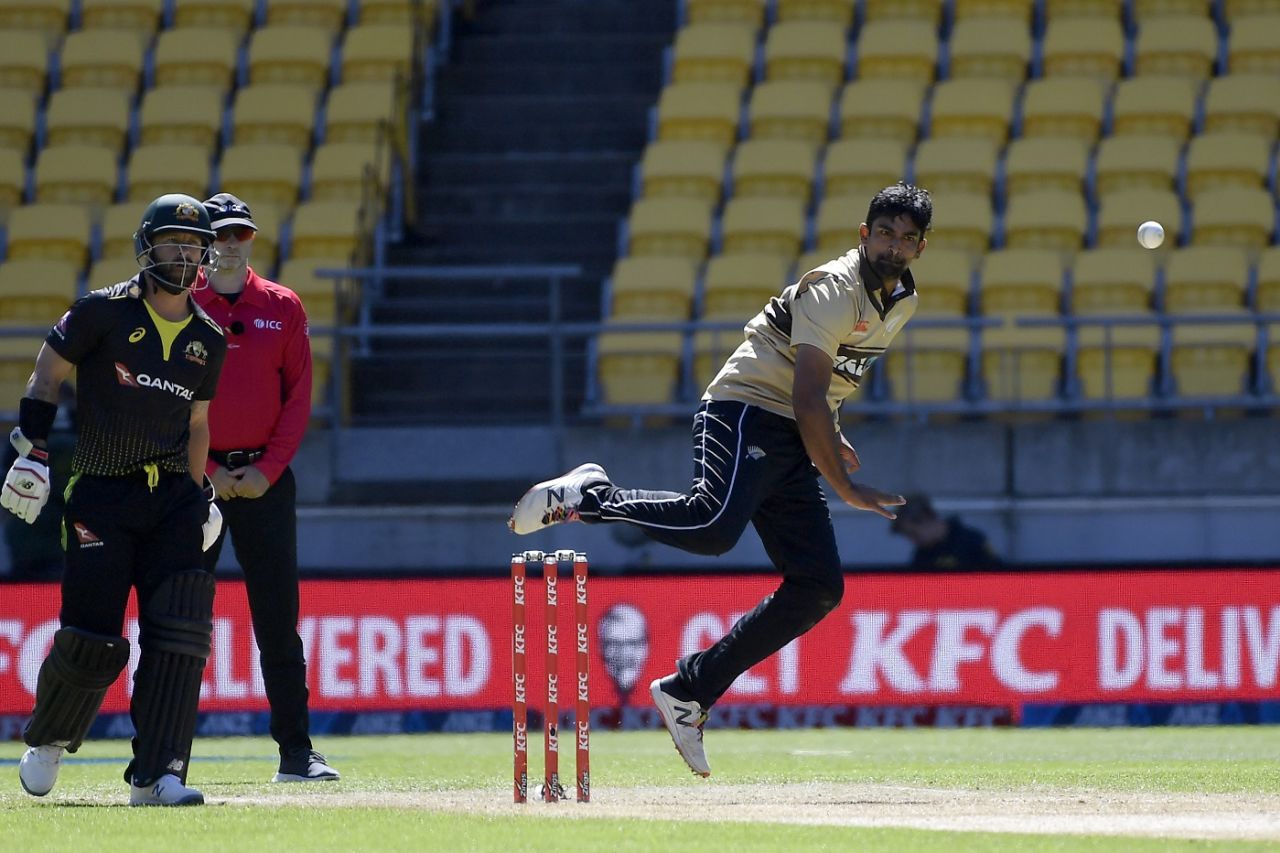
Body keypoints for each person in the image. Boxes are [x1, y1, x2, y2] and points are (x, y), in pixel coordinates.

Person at [509, 183, 932, 777]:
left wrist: (829, 430)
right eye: (884, 233)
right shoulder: (833, 287)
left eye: (907, 238)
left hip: (796, 431)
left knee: (817, 587)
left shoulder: (903, 300)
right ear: (864, 234)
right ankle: (590, 495)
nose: (894, 246)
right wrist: (844, 484)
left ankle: (690, 690)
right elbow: (805, 392)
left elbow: (830, 382)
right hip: (746, 408)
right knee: (712, 524)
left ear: (919, 249)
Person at [2, 193, 227, 806]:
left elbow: (199, 423)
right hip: (101, 493)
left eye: (194, 246)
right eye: (171, 244)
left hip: (173, 500)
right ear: (146, 247)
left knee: (179, 633)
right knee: (93, 635)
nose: (182, 256)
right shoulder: (100, 313)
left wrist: (202, 491)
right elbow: (46, 374)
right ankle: (47, 741)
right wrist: (34, 451)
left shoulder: (208, 338)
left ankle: (159, 775)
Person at [192, 193, 337, 783]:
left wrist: (267, 470)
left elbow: (299, 399)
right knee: (177, 619)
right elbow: (166, 399)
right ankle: (161, 756)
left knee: (278, 621)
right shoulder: (178, 305)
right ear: (203, 242)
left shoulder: (283, 306)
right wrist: (206, 473)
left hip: (263, 482)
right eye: (220, 234)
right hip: (193, 482)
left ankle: (295, 755)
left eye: (240, 235)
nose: (230, 244)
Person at [890, 493, 1003, 572]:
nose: (913, 541)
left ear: (925, 517)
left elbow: (998, 575)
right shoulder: (921, 557)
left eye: (913, 534)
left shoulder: (972, 541)